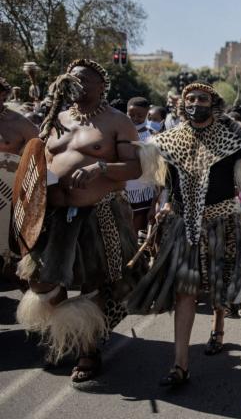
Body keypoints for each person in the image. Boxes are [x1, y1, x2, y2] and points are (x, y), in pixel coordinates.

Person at [125, 83, 241, 387]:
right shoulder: (169, 140)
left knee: (218, 283)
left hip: (221, 221)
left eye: (202, 99)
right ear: (181, 105)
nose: (195, 103)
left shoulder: (232, 137)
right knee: (185, 290)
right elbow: (162, 179)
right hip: (181, 224)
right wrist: (159, 206)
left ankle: (218, 326)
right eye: (190, 99)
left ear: (213, 104)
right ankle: (180, 364)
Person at [16, 59, 149, 383]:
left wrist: (99, 169)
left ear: (102, 85)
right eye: (72, 78)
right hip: (53, 215)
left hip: (99, 213)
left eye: (85, 80)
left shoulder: (118, 122)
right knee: (44, 282)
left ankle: (88, 350)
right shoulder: (56, 119)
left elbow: (134, 168)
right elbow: (39, 162)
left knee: (94, 285)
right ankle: (66, 336)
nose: (77, 84)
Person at [0, 76, 39, 275]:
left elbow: (41, 147)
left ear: (3, 95)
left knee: (8, 242)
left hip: (8, 192)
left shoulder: (17, 121)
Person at [125, 97, 157, 239]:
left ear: (147, 115)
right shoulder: (118, 133)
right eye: (131, 115)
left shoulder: (152, 136)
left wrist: (155, 202)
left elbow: (158, 169)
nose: (135, 118)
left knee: (138, 233)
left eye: (140, 116)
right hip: (122, 190)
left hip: (144, 191)